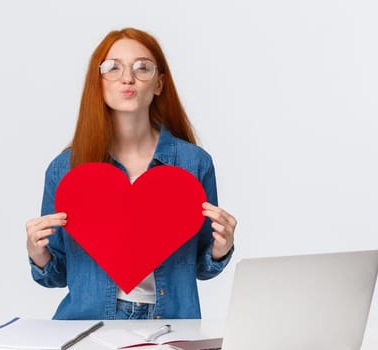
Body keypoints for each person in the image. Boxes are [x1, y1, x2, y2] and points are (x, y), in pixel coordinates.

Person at [25, 28, 238, 320]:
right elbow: (57, 275)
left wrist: (221, 249)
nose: (128, 78)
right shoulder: (66, 170)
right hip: (89, 327)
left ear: (159, 84)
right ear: (97, 84)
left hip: (171, 326)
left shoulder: (194, 164)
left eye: (142, 68)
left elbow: (202, 268)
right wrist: (39, 254)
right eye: (113, 68)